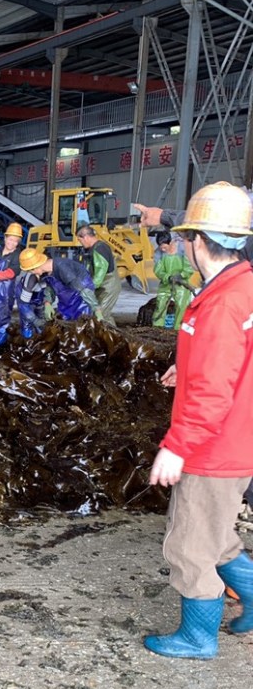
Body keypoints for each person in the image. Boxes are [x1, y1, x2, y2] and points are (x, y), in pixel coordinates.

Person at [143, 181, 253, 658]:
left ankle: (197, 637)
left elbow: (212, 390)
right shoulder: (242, 285)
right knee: (219, 535)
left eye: (187, 238)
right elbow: (231, 364)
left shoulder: (221, 304)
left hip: (214, 447)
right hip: (238, 437)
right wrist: (184, 366)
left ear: (198, 242)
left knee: (190, 544)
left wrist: (176, 446)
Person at [17, 246, 102, 324]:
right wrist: (47, 302)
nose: (31, 273)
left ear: (35, 267)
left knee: (81, 328)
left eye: (31, 271)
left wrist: (96, 308)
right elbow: (50, 288)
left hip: (81, 300)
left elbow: (83, 290)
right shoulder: (45, 272)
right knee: (63, 327)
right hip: (65, 303)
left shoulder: (62, 268)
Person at [76, 224, 122, 326]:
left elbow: (99, 275)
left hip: (108, 287)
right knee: (96, 313)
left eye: (80, 240)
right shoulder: (95, 248)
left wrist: (88, 288)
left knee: (102, 315)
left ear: (86, 237)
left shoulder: (99, 249)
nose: (80, 243)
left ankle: (115, 338)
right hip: (102, 287)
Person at [152, 234, 194, 329]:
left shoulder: (183, 250)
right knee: (160, 305)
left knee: (181, 306)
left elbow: (189, 267)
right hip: (166, 282)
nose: (162, 250)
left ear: (171, 242)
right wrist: (168, 277)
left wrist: (181, 275)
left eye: (164, 247)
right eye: (161, 247)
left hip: (181, 283)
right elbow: (158, 270)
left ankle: (178, 330)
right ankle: (157, 328)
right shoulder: (158, 253)